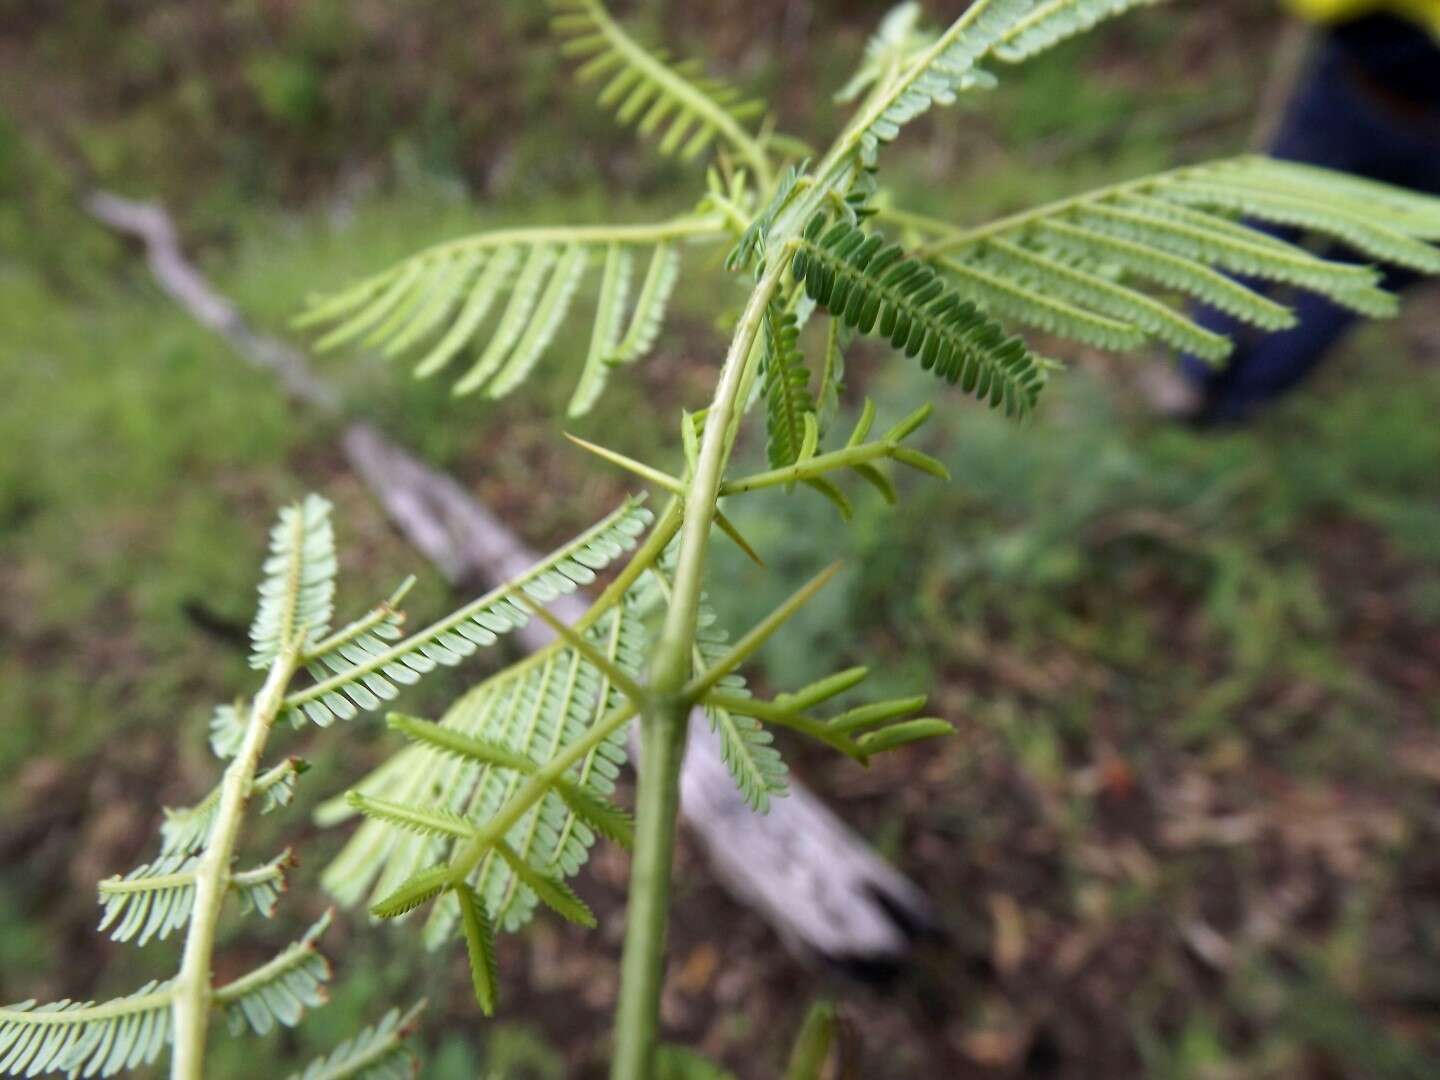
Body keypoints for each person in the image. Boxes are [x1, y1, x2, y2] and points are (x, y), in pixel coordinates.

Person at [1165, 0, 1440, 425]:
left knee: (1270, 224)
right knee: (1351, 283)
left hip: (1354, 94)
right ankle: (1232, 405)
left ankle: (1194, 379)